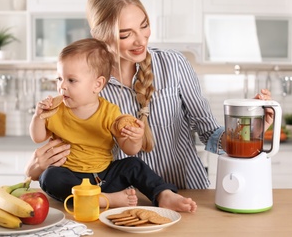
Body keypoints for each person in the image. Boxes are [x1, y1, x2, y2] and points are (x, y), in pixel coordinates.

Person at [25, 0, 274, 191]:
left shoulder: (173, 64)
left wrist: (249, 127)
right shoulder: (84, 88)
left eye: (144, 25)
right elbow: (66, 154)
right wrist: (34, 169)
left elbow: (209, 133)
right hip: (122, 203)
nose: (141, 39)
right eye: (125, 34)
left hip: (186, 193)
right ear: (100, 35)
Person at [28, 38, 197, 212]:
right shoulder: (55, 109)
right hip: (71, 178)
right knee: (49, 176)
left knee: (133, 164)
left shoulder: (110, 112)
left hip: (105, 177)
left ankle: (163, 194)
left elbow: (130, 149)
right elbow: (38, 137)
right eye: (59, 78)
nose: (62, 86)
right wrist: (38, 116)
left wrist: (135, 138)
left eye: (71, 80)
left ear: (97, 84)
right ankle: (101, 200)